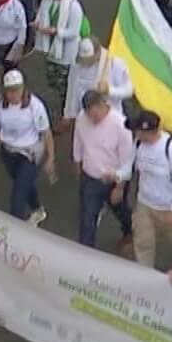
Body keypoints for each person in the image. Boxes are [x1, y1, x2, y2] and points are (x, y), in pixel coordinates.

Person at [0, 69, 56, 224]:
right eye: (10, 91)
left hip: (30, 154)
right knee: (25, 184)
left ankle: (16, 232)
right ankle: (38, 209)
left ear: (23, 88)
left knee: (17, 198)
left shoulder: (35, 106)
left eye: (17, 90)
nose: (14, 95)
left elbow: (46, 133)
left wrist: (51, 159)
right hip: (9, 154)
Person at [129, 110, 172, 271]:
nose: (137, 134)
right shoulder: (138, 143)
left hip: (167, 207)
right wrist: (117, 176)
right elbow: (129, 165)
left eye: (140, 131)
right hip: (144, 203)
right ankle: (145, 274)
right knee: (143, 241)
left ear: (150, 131)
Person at [71, 89, 134, 250]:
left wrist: (119, 187)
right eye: (89, 116)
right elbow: (78, 142)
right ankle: (86, 255)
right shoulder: (82, 119)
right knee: (87, 220)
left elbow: (127, 160)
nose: (92, 120)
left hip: (113, 179)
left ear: (103, 105)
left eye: (95, 115)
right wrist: (78, 165)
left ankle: (130, 230)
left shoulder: (120, 125)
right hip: (90, 178)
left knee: (120, 210)